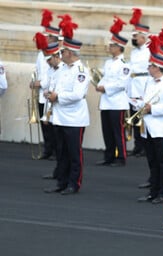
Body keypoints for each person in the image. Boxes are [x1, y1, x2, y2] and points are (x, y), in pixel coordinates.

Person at [43, 17, 90, 196]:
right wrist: (50, 93)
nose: (60, 55)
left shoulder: (81, 72)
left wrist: (58, 96)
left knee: (74, 153)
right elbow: (53, 83)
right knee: (61, 151)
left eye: (63, 52)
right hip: (60, 116)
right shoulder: (62, 69)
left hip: (74, 118)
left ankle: (73, 183)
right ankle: (61, 181)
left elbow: (77, 95)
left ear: (70, 53)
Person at [136, 53, 163, 204]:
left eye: (150, 65)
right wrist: (140, 104)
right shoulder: (149, 82)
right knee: (152, 161)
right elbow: (144, 100)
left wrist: (152, 109)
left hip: (161, 128)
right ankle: (153, 191)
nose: (148, 68)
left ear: (157, 67)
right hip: (148, 127)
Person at [95, 17, 131, 167]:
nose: (109, 48)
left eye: (112, 45)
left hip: (117, 102)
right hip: (106, 101)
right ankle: (109, 155)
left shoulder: (125, 65)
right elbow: (105, 78)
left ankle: (121, 156)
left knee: (118, 131)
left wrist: (106, 88)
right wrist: (99, 84)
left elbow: (121, 83)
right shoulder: (108, 63)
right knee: (107, 130)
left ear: (119, 47)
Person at [33, 10, 61, 159]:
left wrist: (42, 83)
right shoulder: (41, 53)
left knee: (52, 124)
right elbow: (39, 70)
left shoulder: (57, 53)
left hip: (50, 92)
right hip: (41, 92)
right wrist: (34, 81)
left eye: (47, 36)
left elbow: (54, 74)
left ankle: (56, 151)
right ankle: (47, 148)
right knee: (44, 123)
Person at [127, 8, 151, 158]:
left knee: (143, 116)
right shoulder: (134, 52)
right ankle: (137, 145)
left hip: (143, 83)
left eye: (136, 36)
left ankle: (144, 145)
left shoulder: (149, 50)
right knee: (134, 116)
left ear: (143, 37)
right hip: (133, 84)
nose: (134, 39)